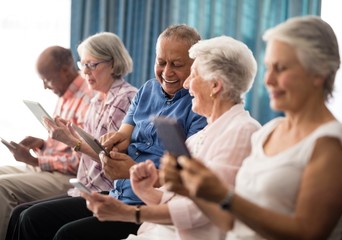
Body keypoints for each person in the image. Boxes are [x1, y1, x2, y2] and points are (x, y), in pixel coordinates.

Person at [161, 16, 342, 240]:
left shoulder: (334, 143)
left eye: (281, 68)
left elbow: (308, 233)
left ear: (318, 73)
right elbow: (230, 221)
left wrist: (225, 196)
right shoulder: (268, 132)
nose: (269, 80)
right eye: (268, 68)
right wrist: (191, 188)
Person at [16, 24, 207, 240]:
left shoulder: (198, 107)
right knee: (30, 217)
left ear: (195, 65)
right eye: (161, 62)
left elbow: (186, 181)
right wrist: (110, 144)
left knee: (66, 234)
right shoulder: (147, 90)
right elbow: (124, 136)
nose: (167, 72)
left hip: (147, 204)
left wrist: (131, 169)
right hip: (118, 193)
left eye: (177, 64)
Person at [82, 35, 262, 240]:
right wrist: (145, 188)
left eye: (193, 76)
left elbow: (205, 211)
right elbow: (176, 197)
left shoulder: (242, 131)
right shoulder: (199, 137)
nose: (186, 85)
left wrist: (130, 213)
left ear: (215, 86)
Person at [6, 32, 138, 240]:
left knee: (30, 218)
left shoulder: (125, 99)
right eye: (82, 64)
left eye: (92, 65)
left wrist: (70, 140)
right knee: (19, 214)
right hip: (85, 187)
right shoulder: (97, 100)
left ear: (113, 64)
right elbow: (88, 150)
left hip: (106, 191)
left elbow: (113, 160)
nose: (84, 72)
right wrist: (66, 136)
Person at [0, 46, 94, 240]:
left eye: (47, 79)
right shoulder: (66, 94)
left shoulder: (88, 100)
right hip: (50, 167)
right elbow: (65, 144)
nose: (44, 86)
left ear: (65, 71)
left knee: (2, 187)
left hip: (66, 175)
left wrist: (35, 162)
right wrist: (43, 145)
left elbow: (81, 160)